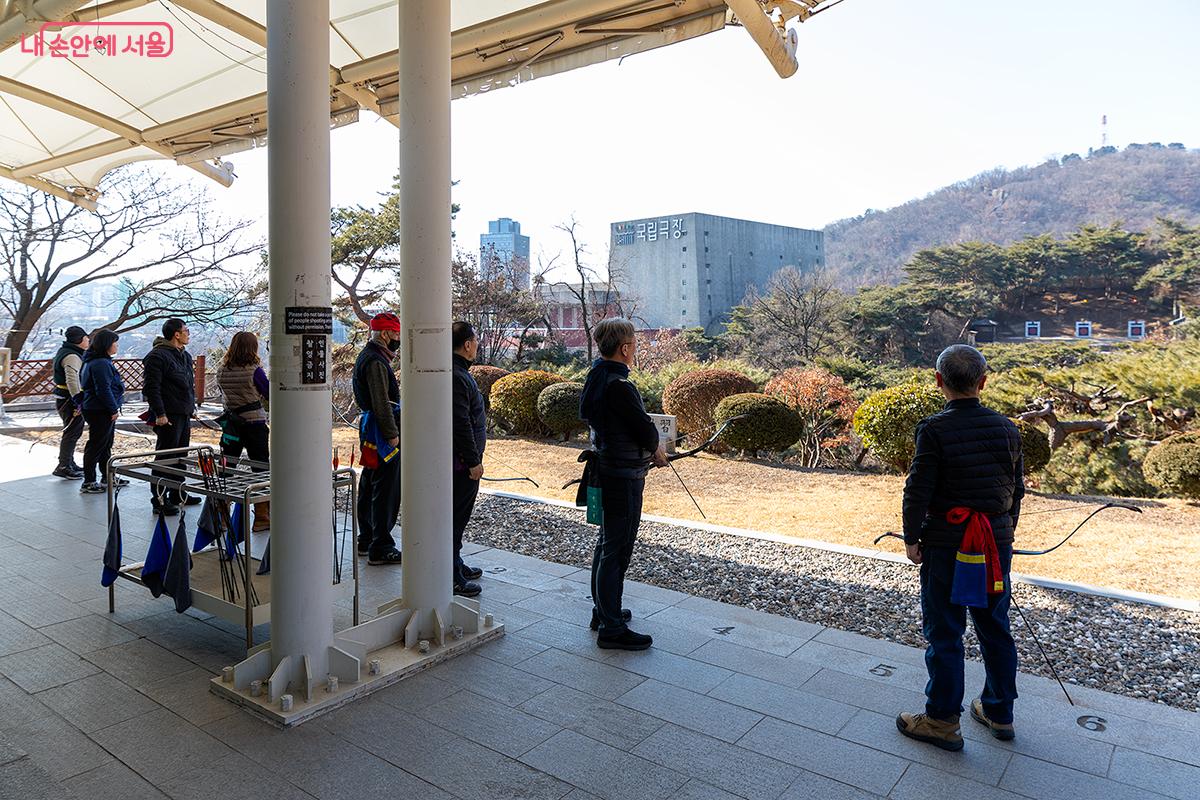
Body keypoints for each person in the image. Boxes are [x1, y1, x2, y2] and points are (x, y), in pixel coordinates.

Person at [896, 344, 1024, 752]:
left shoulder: (934, 428)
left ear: (938, 381)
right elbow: (1016, 492)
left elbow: (918, 490)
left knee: (945, 630)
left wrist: (913, 537)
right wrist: (1006, 536)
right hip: (993, 544)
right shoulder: (1008, 428)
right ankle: (1000, 712)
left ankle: (941, 721)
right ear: (982, 383)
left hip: (947, 546)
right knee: (994, 626)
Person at [579, 318, 667, 651]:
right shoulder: (619, 384)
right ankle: (611, 627)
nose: (635, 350)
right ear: (625, 348)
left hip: (609, 469)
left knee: (606, 545)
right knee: (617, 550)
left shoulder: (596, 376)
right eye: (634, 344)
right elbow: (644, 428)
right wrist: (655, 448)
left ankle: (604, 612)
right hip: (623, 475)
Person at [352, 312, 403, 566]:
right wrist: (392, 434)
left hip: (370, 430)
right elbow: (381, 402)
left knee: (371, 482)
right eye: (395, 333)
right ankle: (380, 544)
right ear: (385, 334)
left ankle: (367, 538)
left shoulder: (369, 356)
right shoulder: (376, 361)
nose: (398, 339)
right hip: (380, 432)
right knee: (385, 486)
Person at [142, 317, 197, 514]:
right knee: (165, 456)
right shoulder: (157, 356)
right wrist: (160, 413)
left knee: (181, 454)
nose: (188, 334)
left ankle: (178, 492)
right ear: (176, 334)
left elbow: (187, 385)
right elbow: (151, 387)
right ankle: (159, 498)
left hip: (183, 412)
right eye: (186, 330)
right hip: (168, 414)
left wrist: (192, 408)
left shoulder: (184, 355)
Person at [217, 331, 271, 531]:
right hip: (254, 423)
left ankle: (221, 515)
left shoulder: (222, 369)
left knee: (226, 466)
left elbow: (224, 393)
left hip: (231, 423)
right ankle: (262, 517)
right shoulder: (254, 370)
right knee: (260, 467)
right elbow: (268, 392)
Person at [450, 321, 485, 597]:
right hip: (461, 464)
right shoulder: (458, 377)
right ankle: (451, 575)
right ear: (467, 344)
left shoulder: (457, 373)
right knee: (454, 520)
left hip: (459, 461)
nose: (477, 345)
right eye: (475, 340)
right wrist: (473, 461)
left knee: (455, 520)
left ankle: (456, 564)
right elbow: (461, 423)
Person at [79, 329, 125, 494]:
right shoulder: (100, 363)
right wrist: (113, 408)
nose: (117, 346)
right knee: (96, 445)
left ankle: (107, 476)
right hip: (99, 409)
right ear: (106, 344)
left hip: (97, 408)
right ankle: (89, 481)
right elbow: (103, 389)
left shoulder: (95, 361)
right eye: (115, 342)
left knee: (105, 444)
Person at [51, 326, 89, 479]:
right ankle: (64, 465)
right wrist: (78, 399)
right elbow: (72, 379)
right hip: (69, 399)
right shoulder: (72, 356)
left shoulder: (66, 351)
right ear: (79, 340)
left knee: (73, 431)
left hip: (65, 397)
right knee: (72, 432)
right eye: (86, 338)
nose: (88, 341)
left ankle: (69, 462)